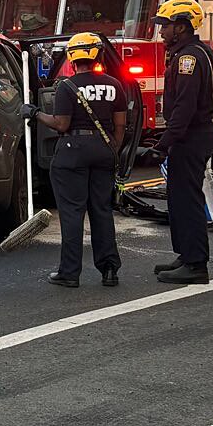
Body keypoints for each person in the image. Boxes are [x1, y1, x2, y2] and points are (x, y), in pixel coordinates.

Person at [32, 33, 127, 287]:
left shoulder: (67, 86)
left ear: (72, 58)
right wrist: (112, 148)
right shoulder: (114, 85)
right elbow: (120, 124)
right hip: (104, 150)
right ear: (98, 55)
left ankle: (70, 272)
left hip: (73, 151)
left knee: (73, 213)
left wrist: (35, 113)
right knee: (102, 210)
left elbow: (61, 124)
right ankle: (109, 269)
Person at [153, 0, 213, 285]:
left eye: (165, 26)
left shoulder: (189, 58)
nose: (161, 32)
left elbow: (185, 107)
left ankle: (195, 264)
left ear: (181, 27)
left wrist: (163, 144)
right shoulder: (198, 53)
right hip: (192, 136)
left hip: (191, 137)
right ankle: (185, 255)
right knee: (178, 199)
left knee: (188, 200)